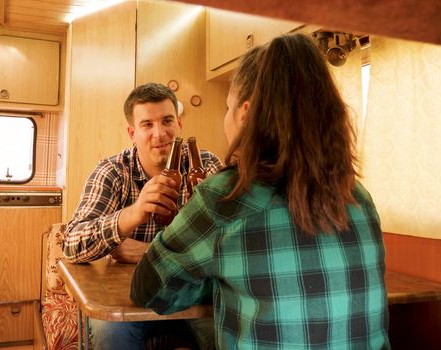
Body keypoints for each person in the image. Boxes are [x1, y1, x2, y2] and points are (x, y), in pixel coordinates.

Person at [131, 33, 390, 349]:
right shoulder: (360, 197)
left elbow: (149, 290)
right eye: (147, 125)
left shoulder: (225, 195)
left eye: (227, 107)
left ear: (244, 113)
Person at [63, 82, 222, 350]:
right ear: (132, 132)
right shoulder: (112, 172)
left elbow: (229, 238)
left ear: (179, 124)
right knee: (111, 332)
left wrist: (149, 251)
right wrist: (133, 213)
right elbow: (71, 245)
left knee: (227, 326)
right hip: (128, 296)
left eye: (167, 121)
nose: (159, 134)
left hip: (193, 291)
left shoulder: (204, 165)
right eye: (147, 124)